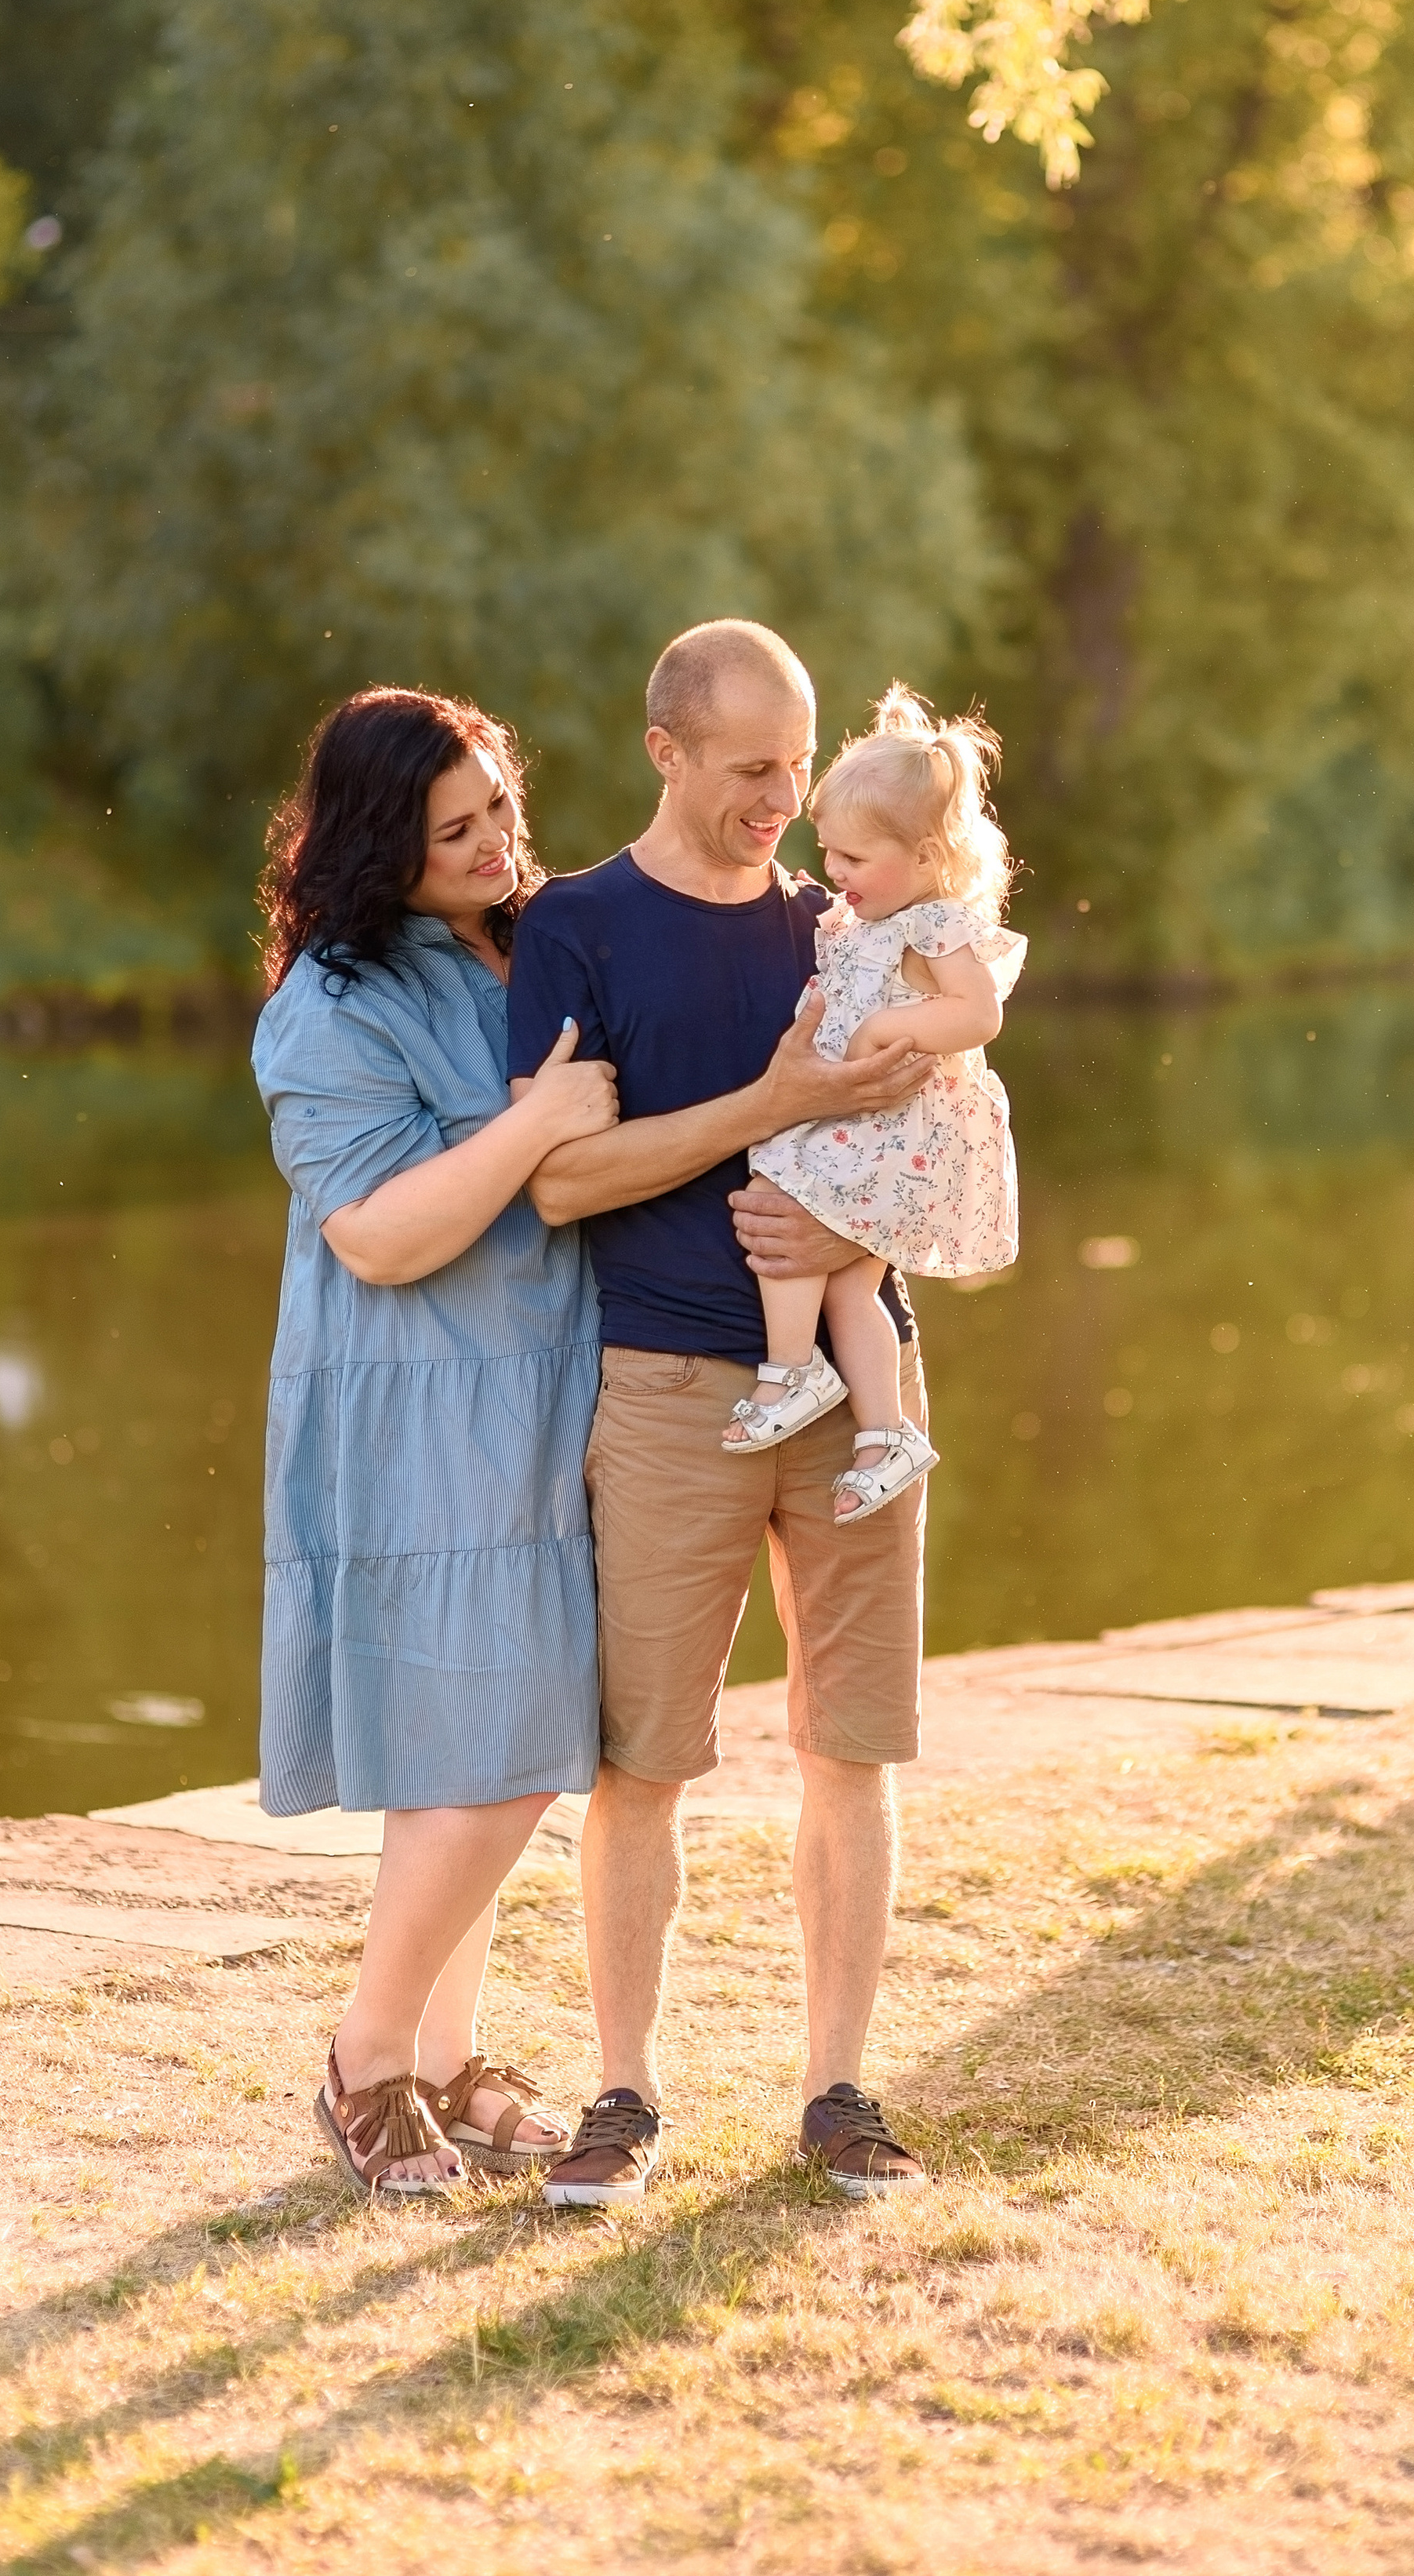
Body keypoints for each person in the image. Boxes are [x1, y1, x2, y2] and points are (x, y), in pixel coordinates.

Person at [505, 620, 940, 2207]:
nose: (784, 799)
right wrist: (769, 1105)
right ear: (666, 751)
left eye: (800, 765)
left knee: (851, 1747)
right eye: (753, 767)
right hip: (672, 1390)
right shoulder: (576, 927)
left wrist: (843, 1229)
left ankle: (837, 2089)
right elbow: (561, 1179)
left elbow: (938, 1141)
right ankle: (621, 2092)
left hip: (855, 1390)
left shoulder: (843, 919)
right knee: (643, 1760)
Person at [253, 685, 619, 2200]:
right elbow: (381, 1235)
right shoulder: (329, 1004)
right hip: (421, 1399)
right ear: (375, 844)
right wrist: (534, 1124)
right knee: (504, 1739)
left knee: (481, 1742)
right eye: (451, 829)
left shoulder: (536, 940)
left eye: (498, 808)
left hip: (553, 1380)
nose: (492, 844)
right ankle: (367, 2054)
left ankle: (452, 2061)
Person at [727, 686, 1026, 1525]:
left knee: (781, 1181)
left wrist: (889, 1025)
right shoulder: (868, 920)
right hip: (869, 1123)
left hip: (900, 1132)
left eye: (854, 858)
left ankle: (791, 1370)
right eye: (829, 852)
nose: (835, 872)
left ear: (926, 858)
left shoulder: (936, 925)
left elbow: (979, 1015)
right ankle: (885, 1434)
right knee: (850, 1292)